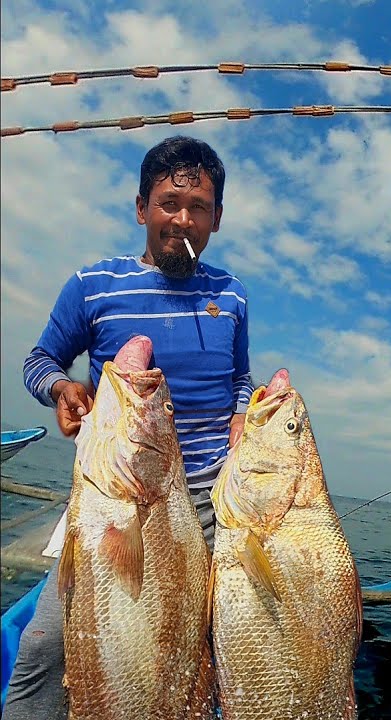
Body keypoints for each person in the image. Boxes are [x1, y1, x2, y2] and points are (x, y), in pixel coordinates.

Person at [7, 136, 253, 720]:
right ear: (142, 207)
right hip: (112, 493)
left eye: (199, 208)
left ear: (217, 218)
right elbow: (39, 362)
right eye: (170, 203)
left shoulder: (232, 295)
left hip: (205, 503)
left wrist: (244, 410)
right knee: (45, 643)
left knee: (206, 649)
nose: (183, 219)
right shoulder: (93, 285)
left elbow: (239, 377)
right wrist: (62, 390)